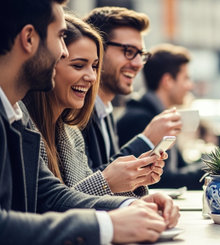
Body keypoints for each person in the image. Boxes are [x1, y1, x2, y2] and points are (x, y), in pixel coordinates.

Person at [0, 0, 179, 244]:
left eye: (95, 65)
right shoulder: (22, 117)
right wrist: (107, 223)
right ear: (29, 38)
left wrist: (129, 204)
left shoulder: (19, 117)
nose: (63, 51)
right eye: (60, 37)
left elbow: (50, 196)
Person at [23, 14, 164, 197]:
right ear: (48, 64)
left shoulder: (70, 133)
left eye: (95, 66)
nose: (92, 77)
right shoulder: (23, 129)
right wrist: (107, 181)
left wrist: (135, 180)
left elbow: (84, 198)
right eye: (79, 65)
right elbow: (48, 208)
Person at [82, 7, 181, 172]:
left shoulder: (105, 111)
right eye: (128, 51)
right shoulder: (75, 113)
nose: (137, 64)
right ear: (97, 49)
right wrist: (147, 139)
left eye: (141, 54)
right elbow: (84, 185)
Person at [117, 43, 205, 189]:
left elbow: (180, 169)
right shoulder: (140, 120)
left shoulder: (158, 116)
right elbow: (159, 181)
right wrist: (213, 170)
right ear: (168, 81)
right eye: (186, 78)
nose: (190, 86)